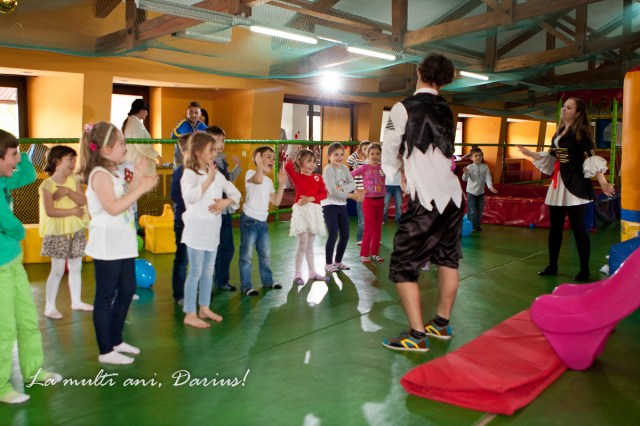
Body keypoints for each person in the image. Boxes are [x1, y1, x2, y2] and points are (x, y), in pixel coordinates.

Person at [380, 54, 463, 353]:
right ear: (444, 80)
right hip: (453, 197)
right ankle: (441, 322)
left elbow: (389, 150)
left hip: (426, 199)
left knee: (403, 265)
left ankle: (416, 335)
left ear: (419, 72)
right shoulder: (446, 109)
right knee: (448, 259)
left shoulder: (402, 107)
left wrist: (395, 172)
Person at [78, 122, 158, 365]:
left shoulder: (113, 172)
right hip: (107, 244)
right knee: (105, 296)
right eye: (122, 143)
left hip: (122, 241)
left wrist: (139, 178)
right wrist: (140, 189)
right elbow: (113, 207)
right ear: (105, 149)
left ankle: (116, 339)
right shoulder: (99, 175)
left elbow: (124, 197)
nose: (125, 147)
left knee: (128, 289)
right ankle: (106, 350)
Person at [518, 97, 615, 281]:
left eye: (569, 107)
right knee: (555, 228)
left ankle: (584, 269)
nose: (563, 109)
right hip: (559, 182)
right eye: (564, 106)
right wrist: (531, 154)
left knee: (578, 228)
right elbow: (552, 155)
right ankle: (552, 265)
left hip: (576, 184)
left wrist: (602, 182)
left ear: (577, 113)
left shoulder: (581, 133)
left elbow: (590, 156)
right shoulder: (559, 132)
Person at [0, 129, 63, 404]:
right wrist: (19, 233)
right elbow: (9, 223)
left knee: (27, 320)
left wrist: (24, 152)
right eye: (12, 155)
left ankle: (33, 371)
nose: (16, 160)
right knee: (4, 329)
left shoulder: (5, 179)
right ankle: (1, 386)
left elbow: (26, 175)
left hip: (13, 262)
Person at [180, 132, 240, 328]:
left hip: (212, 231)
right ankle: (190, 313)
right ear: (198, 151)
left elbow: (235, 193)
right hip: (196, 232)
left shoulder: (216, 173)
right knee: (195, 271)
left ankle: (204, 307)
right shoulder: (190, 173)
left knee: (208, 271)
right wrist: (208, 179)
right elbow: (190, 197)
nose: (215, 153)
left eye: (215, 150)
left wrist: (226, 202)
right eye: (211, 150)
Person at [39, 146, 93, 319]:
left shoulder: (74, 179)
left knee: (76, 266)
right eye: (70, 159)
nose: (73, 163)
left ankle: (76, 301)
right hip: (58, 232)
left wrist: (68, 192)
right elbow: (50, 211)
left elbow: (82, 200)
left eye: (74, 160)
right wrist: (73, 211)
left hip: (75, 229)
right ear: (57, 161)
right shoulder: (47, 185)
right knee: (57, 270)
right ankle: (49, 306)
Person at [239, 146, 286, 296]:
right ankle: (246, 286)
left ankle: (268, 281)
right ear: (258, 158)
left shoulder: (269, 182)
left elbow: (276, 201)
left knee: (265, 255)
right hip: (249, 221)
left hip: (262, 223)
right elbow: (258, 180)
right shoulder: (250, 174)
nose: (272, 160)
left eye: (273, 158)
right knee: (246, 257)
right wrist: (259, 164)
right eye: (268, 157)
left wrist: (282, 184)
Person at [284, 149, 329, 285]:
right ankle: (297, 274)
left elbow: (324, 194)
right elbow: (287, 166)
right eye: (308, 161)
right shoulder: (297, 177)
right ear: (300, 163)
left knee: (310, 244)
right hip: (302, 212)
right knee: (302, 243)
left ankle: (312, 272)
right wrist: (294, 154)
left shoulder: (318, 177)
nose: (312, 164)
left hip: (314, 212)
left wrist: (310, 198)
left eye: (314, 161)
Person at [206, 126, 241, 292]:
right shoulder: (204, 164)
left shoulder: (222, 161)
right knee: (209, 249)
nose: (220, 143)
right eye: (216, 140)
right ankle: (205, 283)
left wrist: (237, 167)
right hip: (211, 212)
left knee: (226, 247)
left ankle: (221, 281)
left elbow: (228, 182)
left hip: (225, 211)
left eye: (222, 140)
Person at [322, 143, 363, 273]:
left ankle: (338, 261)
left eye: (341, 155)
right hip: (329, 205)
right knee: (333, 233)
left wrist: (343, 188)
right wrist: (352, 195)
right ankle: (328, 263)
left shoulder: (344, 168)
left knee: (345, 235)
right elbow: (333, 192)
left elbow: (353, 184)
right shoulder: (328, 170)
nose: (339, 158)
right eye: (336, 155)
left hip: (341, 205)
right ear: (329, 156)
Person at [351, 142, 386, 263]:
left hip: (380, 200)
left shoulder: (383, 168)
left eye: (377, 153)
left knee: (378, 229)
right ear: (367, 154)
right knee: (369, 229)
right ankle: (364, 254)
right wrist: (357, 189)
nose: (375, 156)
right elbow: (350, 176)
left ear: (380, 155)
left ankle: (374, 253)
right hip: (369, 201)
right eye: (372, 154)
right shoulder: (364, 168)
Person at [170, 134, 190, 305]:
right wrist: (191, 203)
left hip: (197, 222)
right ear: (183, 151)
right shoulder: (180, 171)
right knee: (182, 258)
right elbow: (175, 194)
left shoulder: (201, 171)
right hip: (183, 221)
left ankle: (197, 288)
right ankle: (179, 293)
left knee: (197, 257)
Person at [462, 147, 498, 232]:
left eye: (480, 155)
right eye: (476, 156)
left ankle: (477, 226)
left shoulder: (485, 167)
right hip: (471, 192)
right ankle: (471, 226)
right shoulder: (469, 167)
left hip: (480, 192)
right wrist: (465, 173)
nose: (478, 157)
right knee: (472, 210)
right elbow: (464, 179)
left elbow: (488, 178)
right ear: (471, 158)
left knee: (480, 210)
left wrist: (490, 187)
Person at [122, 99, 160, 177]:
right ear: (142, 110)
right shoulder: (135, 125)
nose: (147, 113)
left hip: (135, 166)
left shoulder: (132, 123)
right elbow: (141, 145)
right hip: (138, 167)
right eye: (146, 111)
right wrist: (157, 156)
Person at [347, 140, 370, 245]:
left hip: (371, 194)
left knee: (372, 219)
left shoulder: (375, 164)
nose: (367, 151)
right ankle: (360, 238)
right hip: (360, 194)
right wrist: (357, 152)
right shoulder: (358, 163)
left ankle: (372, 238)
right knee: (362, 219)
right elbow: (349, 160)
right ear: (361, 151)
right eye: (365, 149)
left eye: (369, 149)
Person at [171, 101, 208, 168]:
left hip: (197, 161)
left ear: (200, 114)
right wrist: (192, 137)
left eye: (196, 112)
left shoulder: (202, 126)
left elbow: (210, 137)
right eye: (191, 112)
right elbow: (174, 136)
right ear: (187, 113)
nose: (193, 115)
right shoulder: (183, 124)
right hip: (181, 161)